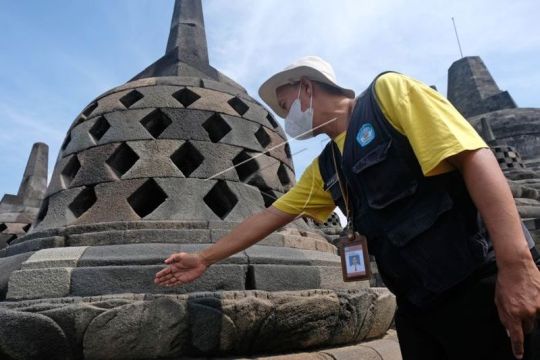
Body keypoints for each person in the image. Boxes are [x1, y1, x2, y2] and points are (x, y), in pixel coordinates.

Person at [155, 56, 540, 359]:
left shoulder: (388, 95)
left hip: (481, 282)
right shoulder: (326, 168)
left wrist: (517, 265)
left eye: (287, 106)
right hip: (418, 307)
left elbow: (473, 157)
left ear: (307, 87)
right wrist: (205, 258)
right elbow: (270, 217)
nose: (288, 118)